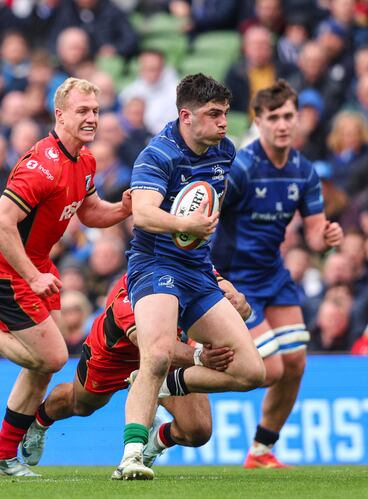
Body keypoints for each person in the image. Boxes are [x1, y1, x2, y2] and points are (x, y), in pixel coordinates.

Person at [0, 78, 132, 476]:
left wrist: (122, 208)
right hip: (3, 272)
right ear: (60, 115)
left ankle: (2, 457)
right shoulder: (42, 165)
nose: (91, 118)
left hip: (38, 268)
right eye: (82, 111)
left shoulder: (84, 160)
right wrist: (33, 277)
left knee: (43, 365)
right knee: (52, 356)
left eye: (95, 111)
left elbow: (89, 213)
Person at [118, 74, 265, 480]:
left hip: (198, 270)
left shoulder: (225, 151)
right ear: (186, 116)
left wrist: (218, 276)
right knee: (158, 353)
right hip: (155, 266)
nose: (223, 123)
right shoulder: (157, 155)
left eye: (225, 114)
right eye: (213, 115)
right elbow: (144, 213)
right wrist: (184, 223)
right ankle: (131, 454)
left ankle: (166, 386)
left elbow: (209, 213)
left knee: (252, 372)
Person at [211, 80, 343, 469]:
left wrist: (328, 236)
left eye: (288, 116)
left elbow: (317, 235)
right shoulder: (242, 168)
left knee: (297, 363)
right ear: (258, 121)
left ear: (298, 118)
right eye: (273, 118)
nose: (282, 124)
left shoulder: (304, 172)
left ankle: (261, 450)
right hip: (237, 280)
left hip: (273, 275)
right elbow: (210, 219)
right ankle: (185, 377)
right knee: (270, 369)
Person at [18, 273, 251, 473]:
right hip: (117, 355)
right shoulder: (137, 292)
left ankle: (155, 442)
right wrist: (199, 357)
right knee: (81, 405)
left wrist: (240, 303)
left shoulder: (189, 264)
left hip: (173, 349)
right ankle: (39, 422)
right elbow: (152, 345)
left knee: (197, 431)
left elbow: (221, 284)